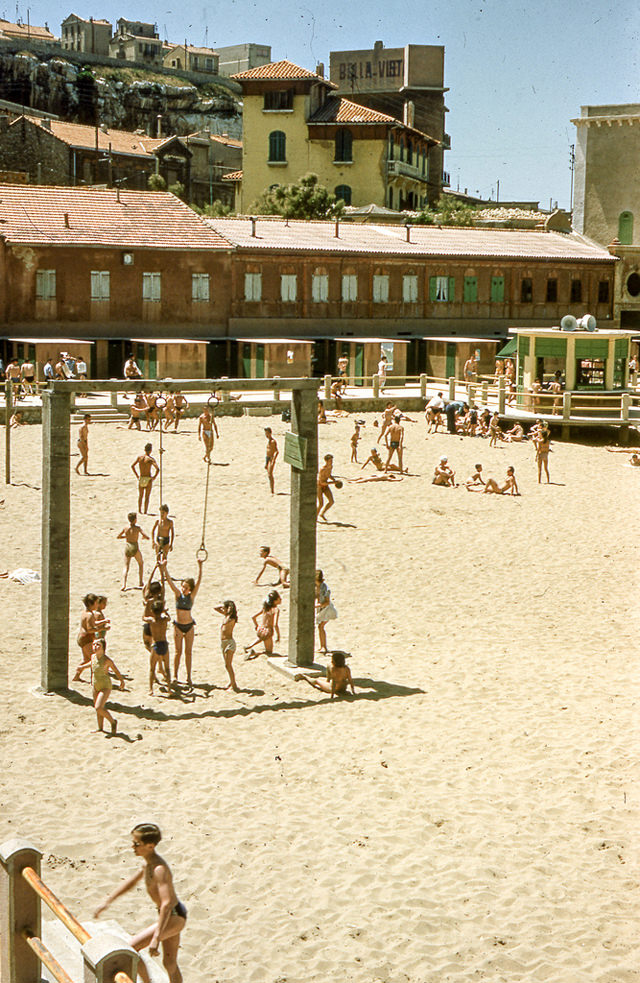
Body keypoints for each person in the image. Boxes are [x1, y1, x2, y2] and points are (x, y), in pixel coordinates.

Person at [94, 823, 186, 983]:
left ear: (150, 846)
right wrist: (108, 901)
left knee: (131, 949)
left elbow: (167, 903)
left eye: (137, 844)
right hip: (170, 915)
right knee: (169, 963)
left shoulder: (159, 869)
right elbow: (130, 883)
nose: (133, 847)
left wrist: (156, 938)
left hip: (173, 916)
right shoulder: (147, 864)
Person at [160, 555, 204, 687]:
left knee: (188, 652)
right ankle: (175, 676)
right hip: (178, 626)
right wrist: (164, 568)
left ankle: (189, 677)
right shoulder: (178, 595)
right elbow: (169, 582)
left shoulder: (191, 596)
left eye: (185, 587)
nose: (183, 588)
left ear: (190, 588)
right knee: (178, 652)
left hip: (189, 626)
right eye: (182, 586)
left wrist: (200, 566)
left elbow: (199, 581)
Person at [90, 639, 125, 733]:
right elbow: (91, 666)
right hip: (95, 684)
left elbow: (116, 670)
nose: (95, 646)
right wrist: (81, 667)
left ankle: (113, 722)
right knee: (98, 709)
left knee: (98, 707)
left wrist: (121, 681)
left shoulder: (107, 660)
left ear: (103, 647)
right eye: (94, 644)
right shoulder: (92, 657)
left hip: (105, 685)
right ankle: (100, 728)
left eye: (98, 645)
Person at [143, 600, 171, 696]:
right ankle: (169, 687)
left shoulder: (151, 620)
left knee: (152, 668)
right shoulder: (164, 620)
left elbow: (143, 618)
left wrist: (146, 605)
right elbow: (169, 618)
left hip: (155, 645)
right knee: (167, 668)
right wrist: (165, 611)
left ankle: (151, 689)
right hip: (164, 643)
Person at [244, 591, 281, 659]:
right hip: (267, 631)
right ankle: (254, 653)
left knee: (262, 638)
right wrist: (278, 635)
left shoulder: (265, 608)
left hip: (260, 629)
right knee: (269, 652)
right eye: (279, 598)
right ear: (275, 601)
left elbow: (253, 617)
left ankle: (249, 646)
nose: (281, 599)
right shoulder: (276, 609)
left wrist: (256, 626)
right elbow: (275, 624)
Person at [117, 512, 149, 590]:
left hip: (128, 546)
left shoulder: (125, 528)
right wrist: (143, 537)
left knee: (126, 566)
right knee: (141, 563)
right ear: (135, 520)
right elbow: (147, 536)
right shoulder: (138, 528)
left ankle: (124, 584)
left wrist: (126, 537)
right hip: (134, 546)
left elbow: (118, 536)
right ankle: (140, 581)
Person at [214, 600, 239, 691]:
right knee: (227, 665)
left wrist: (229, 608)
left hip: (229, 643)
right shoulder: (226, 616)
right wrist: (223, 606)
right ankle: (232, 682)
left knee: (228, 664)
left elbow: (229, 614)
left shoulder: (231, 618)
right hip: (223, 643)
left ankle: (234, 684)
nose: (222, 609)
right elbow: (215, 608)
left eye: (224, 608)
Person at [132, 444, 160, 515]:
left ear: (144, 449)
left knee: (140, 496)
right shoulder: (150, 459)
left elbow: (132, 466)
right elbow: (157, 469)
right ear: (150, 450)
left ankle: (139, 510)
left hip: (141, 477)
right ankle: (145, 511)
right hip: (148, 478)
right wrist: (154, 477)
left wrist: (137, 475)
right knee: (147, 496)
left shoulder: (139, 457)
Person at [315, 569, 338, 654]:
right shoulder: (315, 586)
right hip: (321, 609)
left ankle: (323, 647)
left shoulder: (325, 588)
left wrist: (317, 605)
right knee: (320, 627)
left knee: (321, 626)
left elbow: (327, 602)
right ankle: (323, 646)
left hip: (327, 609)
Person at [317, 454, 340, 520]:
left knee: (331, 501)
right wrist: (333, 482)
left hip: (326, 485)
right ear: (326, 461)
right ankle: (314, 517)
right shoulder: (322, 469)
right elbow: (322, 482)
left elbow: (329, 475)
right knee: (321, 503)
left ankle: (322, 514)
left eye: (332, 460)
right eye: (330, 460)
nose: (331, 461)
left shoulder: (330, 467)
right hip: (320, 486)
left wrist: (334, 479)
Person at [264, 427, 278, 495]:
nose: (266, 435)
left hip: (271, 459)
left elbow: (276, 451)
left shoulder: (273, 441)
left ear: (270, 433)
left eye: (267, 433)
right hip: (267, 458)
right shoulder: (268, 441)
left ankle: (272, 490)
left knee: (270, 474)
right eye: (265, 433)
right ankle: (271, 489)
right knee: (268, 474)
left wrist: (273, 460)